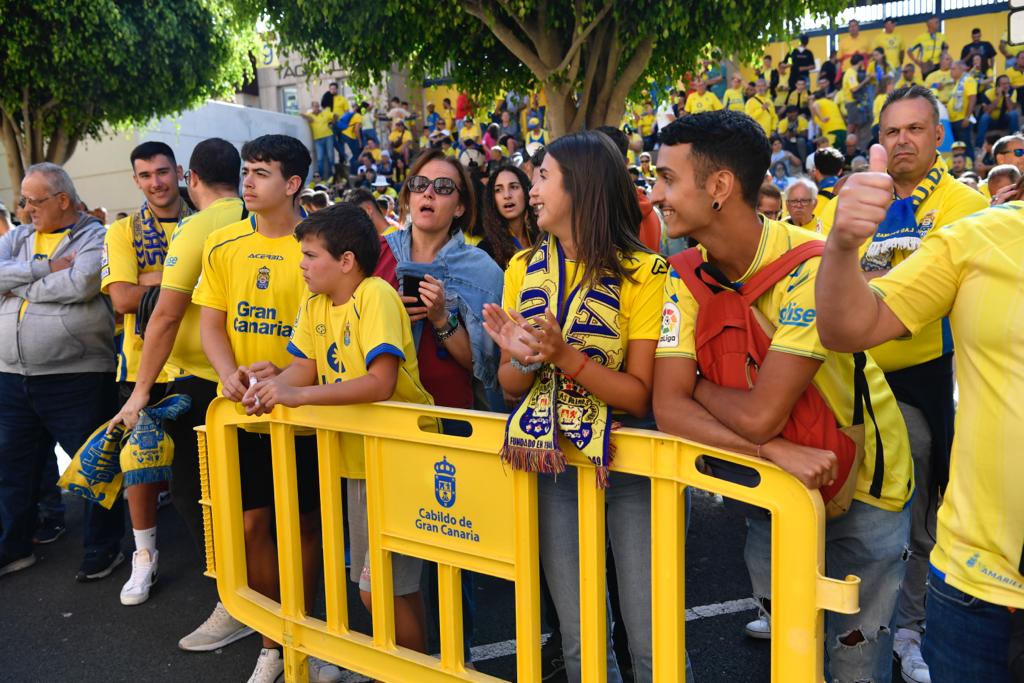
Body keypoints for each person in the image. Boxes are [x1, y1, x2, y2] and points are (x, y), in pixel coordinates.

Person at [649, 110, 913, 682]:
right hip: (778, 483)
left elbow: (759, 412)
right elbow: (666, 410)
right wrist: (771, 454)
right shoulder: (683, 272)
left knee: (854, 663)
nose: (654, 197)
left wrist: (695, 384)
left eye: (667, 179)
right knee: (792, 657)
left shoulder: (810, 267)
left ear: (718, 187)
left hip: (863, 487)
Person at [814, 145, 1024, 683]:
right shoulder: (983, 234)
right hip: (976, 584)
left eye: (916, 129)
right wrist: (841, 245)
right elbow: (846, 328)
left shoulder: (962, 207)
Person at [483, 130, 667, 683]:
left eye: (542, 177)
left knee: (652, 634)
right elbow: (510, 385)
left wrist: (564, 356)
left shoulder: (647, 272)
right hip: (555, 469)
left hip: (631, 467)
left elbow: (639, 394)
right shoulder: (521, 269)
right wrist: (525, 360)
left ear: (581, 187)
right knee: (582, 639)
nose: (531, 191)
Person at [243, 202, 432, 658]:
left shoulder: (376, 295)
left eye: (310, 255)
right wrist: (261, 388)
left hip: (398, 459)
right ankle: (413, 667)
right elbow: (302, 370)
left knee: (378, 590)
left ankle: (415, 670)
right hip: (357, 463)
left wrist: (294, 396)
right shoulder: (314, 305)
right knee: (388, 588)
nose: (302, 265)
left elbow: (380, 382)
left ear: (346, 261)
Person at [191, 134, 340, 683]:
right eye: (245, 171)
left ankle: (308, 635)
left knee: (303, 532)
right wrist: (228, 373)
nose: (247, 181)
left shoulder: (318, 244)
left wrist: (292, 379)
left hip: (305, 415)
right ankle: (272, 642)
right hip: (243, 416)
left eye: (260, 172)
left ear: (293, 184)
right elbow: (211, 321)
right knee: (252, 528)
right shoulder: (225, 245)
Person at [107, 138, 261, 653]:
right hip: (271, 380)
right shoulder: (264, 214)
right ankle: (268, 610)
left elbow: (165, 314)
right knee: (269, 503)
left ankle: (236, 602)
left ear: (188, 175)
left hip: (207, 389)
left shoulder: (198, 227)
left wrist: (140, 393)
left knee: (207, 498)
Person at [0, 163, 125, 582]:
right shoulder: (17, 237)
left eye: (34, 201)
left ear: (63, 201)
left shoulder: (95, 236)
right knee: (12, 469)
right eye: (24, 200)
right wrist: (42, 270)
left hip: (76, 375)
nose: (26, 208)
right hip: (12, 375)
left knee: (95, 466)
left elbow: (80, 285)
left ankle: (102, 549)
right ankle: (14, 547)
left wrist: (14, 283)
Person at [100, 141, 192, 604]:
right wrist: (183, 281)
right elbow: (121, 298)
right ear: (135, 180)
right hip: (141, 368)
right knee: (139, 467)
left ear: (178, 171)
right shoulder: (122, 231)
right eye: (145, 175)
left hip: (199, 362)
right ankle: (143, 558)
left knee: (203, 471)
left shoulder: (207, 220)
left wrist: (151, 280)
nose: (156, 182)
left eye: (162, 171)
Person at [478, 164, 538, 270]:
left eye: (514, 187)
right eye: (498, 190)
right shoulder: (485, 250)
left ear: (526, 192)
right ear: (493, 199)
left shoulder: (539, 238)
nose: (507, 195)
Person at [976, 76, 1020, 148]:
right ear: (998, 85)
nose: (1006, 86)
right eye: (1003, 84)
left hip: (1003, 121)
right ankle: (978, 146)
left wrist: (1006, 95)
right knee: (985, 117)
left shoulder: (1012, 91)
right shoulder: (988, 93)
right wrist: (998, 98)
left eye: (1008, 83)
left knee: (1013, 114)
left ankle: (1016, 142)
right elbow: (987, 111)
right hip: (991, 122)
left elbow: (1011, 109)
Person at [948, 61, 977, 159]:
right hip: (954, 120)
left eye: (953, 69)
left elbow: (972, 98)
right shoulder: (958, 82)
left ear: (961, 69)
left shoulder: (968, 80)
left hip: (962, 119)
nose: (951, 71)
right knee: (958, 148)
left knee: (966, 146)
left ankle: (971, 167)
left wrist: (967, 117)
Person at [302, 100, 335, 182]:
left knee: (330, 157)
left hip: (328, 137)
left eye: (317, 106)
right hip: (317, 139)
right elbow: (302, 115)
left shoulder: (325, 112)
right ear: (312, 107)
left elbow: (334, 116)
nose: (316, 107)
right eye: (314, 106)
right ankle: (321, 178)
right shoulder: (310, 115)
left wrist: (332, 122)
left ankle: (332, 177)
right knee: (320, 159)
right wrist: (306, 116)